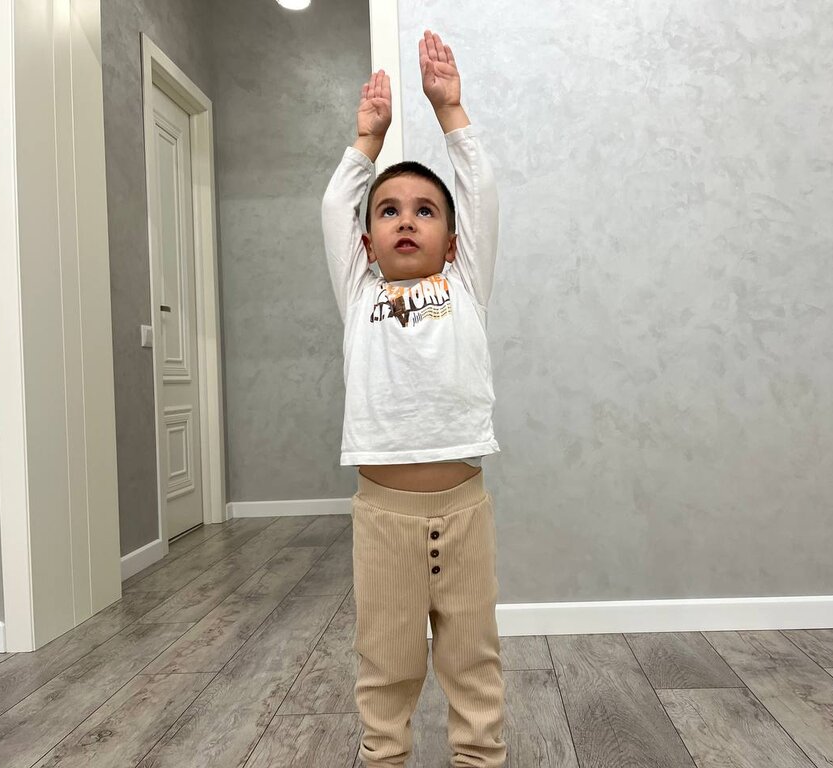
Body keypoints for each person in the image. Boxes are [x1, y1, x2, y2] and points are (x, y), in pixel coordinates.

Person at [320, 28, 507, 768]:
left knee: (472, 659)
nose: (405, 219)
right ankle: (385, 758)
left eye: (425, 211)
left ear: (452, 242)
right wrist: (368, 139)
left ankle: (480, 757)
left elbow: (480, 192)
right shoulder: (359, 292)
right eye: (389, 210)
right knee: (387, 663)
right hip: (383, 519)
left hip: (465, 513)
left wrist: (449, 111)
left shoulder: (465, 285)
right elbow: (336, 205)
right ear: (366, 243)